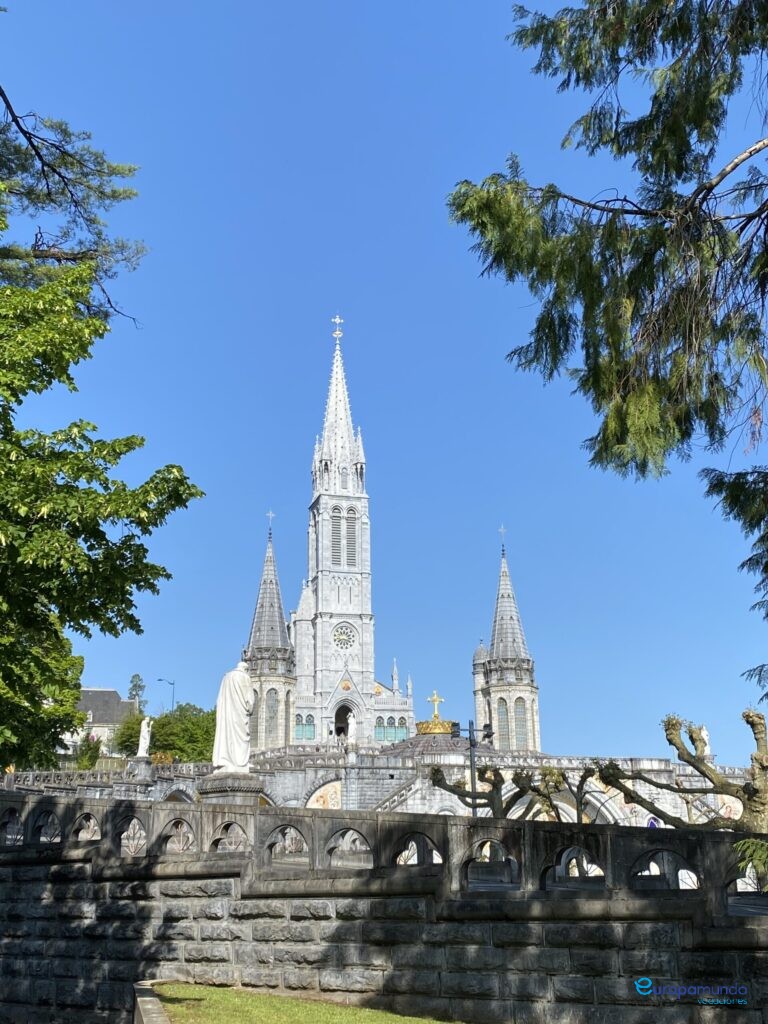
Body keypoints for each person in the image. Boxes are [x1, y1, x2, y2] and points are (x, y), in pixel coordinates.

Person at [212, 662, 253, 773]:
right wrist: (250, 709)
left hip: (227, 712)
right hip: (240, 713)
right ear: (246, 669)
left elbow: (219, 698)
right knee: (240, 737)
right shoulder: (245, 677)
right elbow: (250, 700)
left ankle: (226, 761)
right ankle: (240, 763)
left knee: (227, 736)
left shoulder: (226, 677)